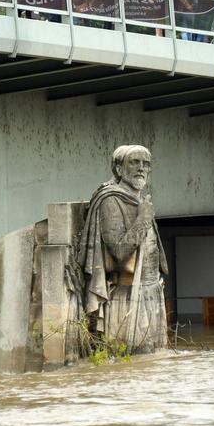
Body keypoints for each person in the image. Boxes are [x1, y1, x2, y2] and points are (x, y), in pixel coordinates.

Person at [78, 145, 168, 354]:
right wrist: (143, 219)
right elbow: (118, 251)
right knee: (134, 355)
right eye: (134, 163)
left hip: (150, 290)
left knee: (153, 358)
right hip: (127, 295)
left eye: (145, 164)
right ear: (118, 169)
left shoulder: (140, 200)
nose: (141, 168)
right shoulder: (111, 200)